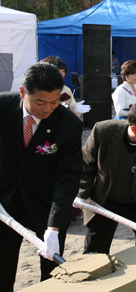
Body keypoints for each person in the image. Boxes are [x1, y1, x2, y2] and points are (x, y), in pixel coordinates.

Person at [0, 63, 83, 290]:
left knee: (52, 270)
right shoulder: (1, 107)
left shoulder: (68, 124)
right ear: (22, 92)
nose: (47, 109)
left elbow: (69, 176)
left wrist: (54, 227)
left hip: (46, 203)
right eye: (40, 102)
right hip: (4, 202)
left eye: (55, 102)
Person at [76, 102, 136, 254]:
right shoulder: (103, 131)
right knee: (94, 250)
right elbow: (86, 164)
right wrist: (83, 194)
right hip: (104, 200)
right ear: (134, 128)